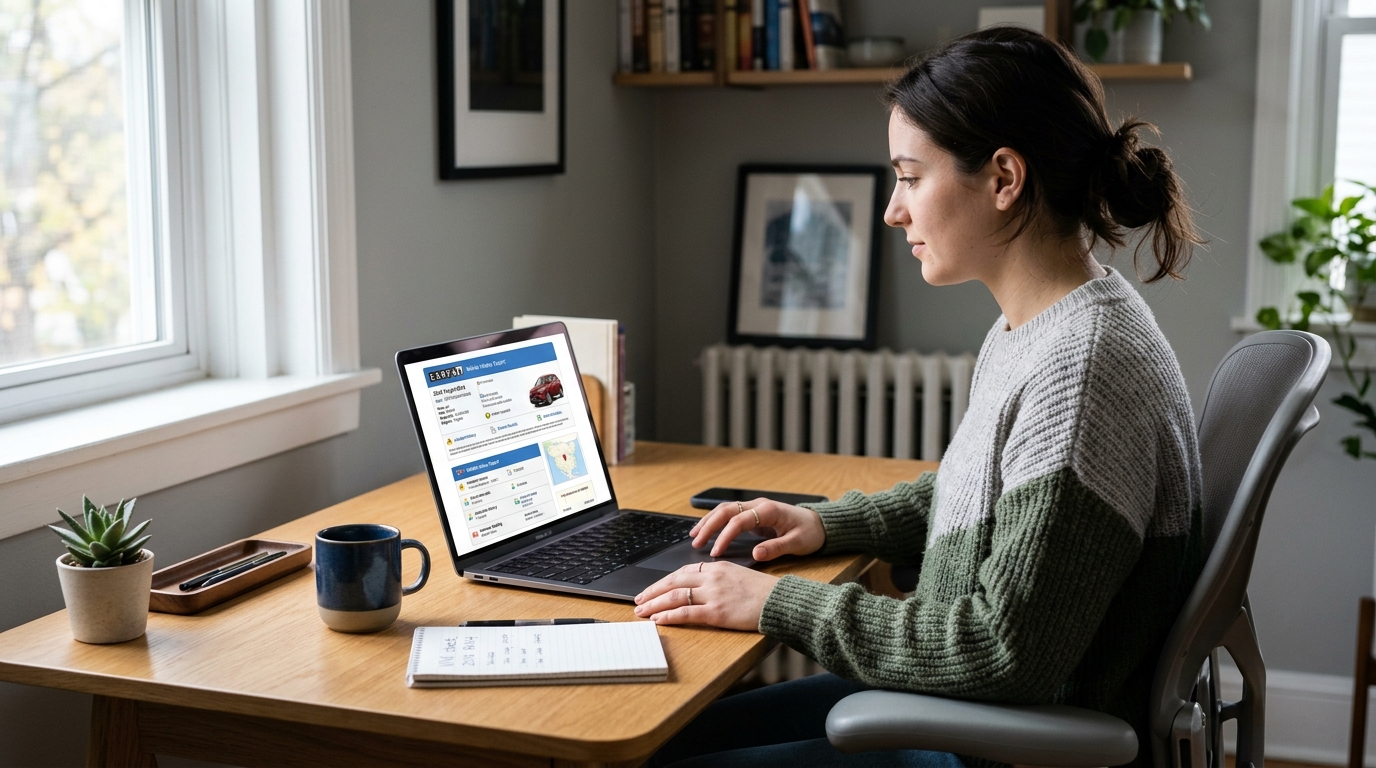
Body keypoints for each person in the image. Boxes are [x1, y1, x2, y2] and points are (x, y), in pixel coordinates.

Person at [637, 26, 1205, 768]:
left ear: (1004, 179)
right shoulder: (1047, 322)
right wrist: (825, 523)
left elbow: (1004, 650)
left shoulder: (1083, 370)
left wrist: (775, 603)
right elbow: (987, 495)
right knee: (660, 743)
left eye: (909, 177)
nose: (892, 210)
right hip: (962, 710)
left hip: (997, 742)